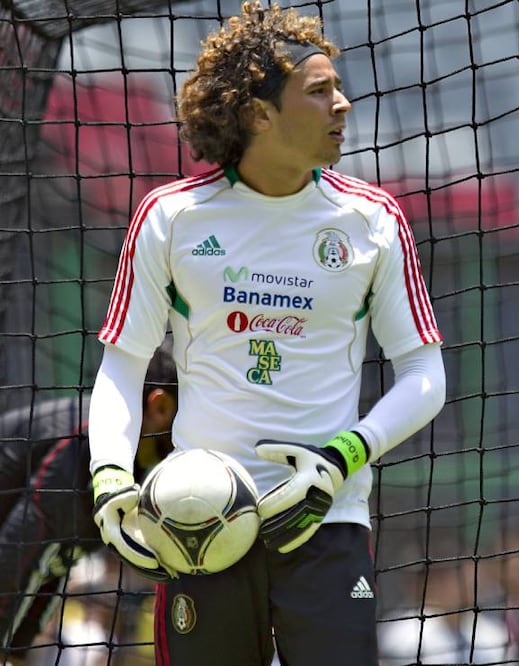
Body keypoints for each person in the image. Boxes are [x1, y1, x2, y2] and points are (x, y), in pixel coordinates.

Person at [86, 3, 446, 666]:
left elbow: (425, 376)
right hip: (195, 522)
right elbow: (122, 366)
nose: (342, 103)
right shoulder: (170, 218)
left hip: (326, 520)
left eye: (336, 88)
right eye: (318, 91)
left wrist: (341, 457)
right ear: (258, 114)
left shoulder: (372, 220)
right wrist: (110, 478)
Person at [0, 345, 176, 665]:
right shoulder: (85, 448)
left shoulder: (126, 470)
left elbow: (50, 566)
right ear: (160, 406)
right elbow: (13, 557)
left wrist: (17, 652)